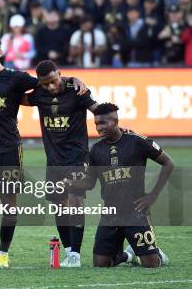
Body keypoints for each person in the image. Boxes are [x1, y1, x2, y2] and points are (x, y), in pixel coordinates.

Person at [0, 37, 87, 269]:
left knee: (8, 204)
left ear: (0, 52)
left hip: (10, 149)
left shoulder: (16, 78)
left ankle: (2, 254)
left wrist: (73, 79)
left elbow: (48, 80)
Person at [66, 103, 173, 268]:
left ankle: (157, 254)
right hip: (110, 214)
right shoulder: (96, 150)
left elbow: (168, 163)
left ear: (115, 121)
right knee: (100, 264)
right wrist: (71, 183)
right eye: (96, 124)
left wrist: (152, 196)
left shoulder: (137, 141)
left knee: (152, 264)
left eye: (103, 123)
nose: (99, 128)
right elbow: (90, 182)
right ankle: (129, 255)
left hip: (135, 212)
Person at [22, 60, 98, 267]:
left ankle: (75, 254)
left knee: (75, 201)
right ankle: (67, 251)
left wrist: (118, 130)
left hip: (77, 157)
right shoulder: (39, 94)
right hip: (54, 160)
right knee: (59, 206)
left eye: (54, 81)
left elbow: (98, 110)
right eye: (45, 84)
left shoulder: (77, 91)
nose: (51, 87)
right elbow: (15, 97)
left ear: (60, 74)